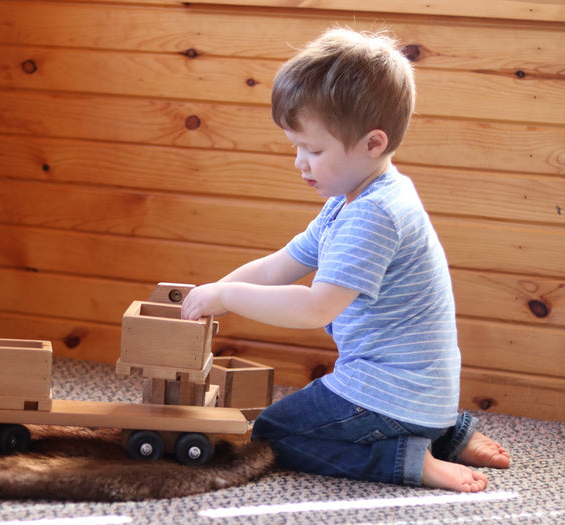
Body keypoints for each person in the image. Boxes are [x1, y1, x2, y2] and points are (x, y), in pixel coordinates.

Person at [180, 27, 510, 492]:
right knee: (309, 415)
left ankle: (408, 459)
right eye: (297, 146)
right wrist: (211, 293)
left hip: (388, 397)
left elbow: (316, 308)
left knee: (273, 433)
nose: (300, 162)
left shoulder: (373, 215)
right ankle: (448, 435)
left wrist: (229, 296)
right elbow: (280, 266)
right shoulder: (354, 198)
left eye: (313, 150)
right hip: (419, 393)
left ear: (373, 144)